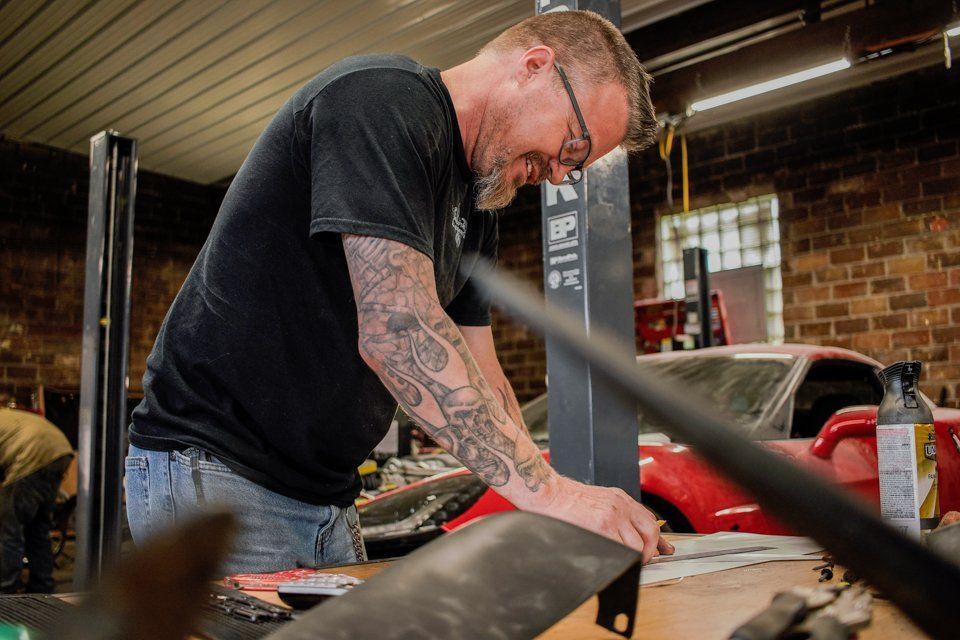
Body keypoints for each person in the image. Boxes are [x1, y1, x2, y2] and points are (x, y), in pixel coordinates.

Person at [126, 10, 674, 573]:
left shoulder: (478, 204)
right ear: (535, 67)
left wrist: (548, 494)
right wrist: (552, 495)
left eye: (575, 168)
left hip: (328, 498)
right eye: (573, 146)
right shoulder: (380, 102)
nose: (560, 174)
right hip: (218, 471)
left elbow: (482, 374)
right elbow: (397, 330)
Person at [0, 407, 73, 593]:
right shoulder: (7, 416)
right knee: (38, 528)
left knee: (9, 530)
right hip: (60, 451)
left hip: (31, 454)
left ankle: (7, 591)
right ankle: (42, 587)